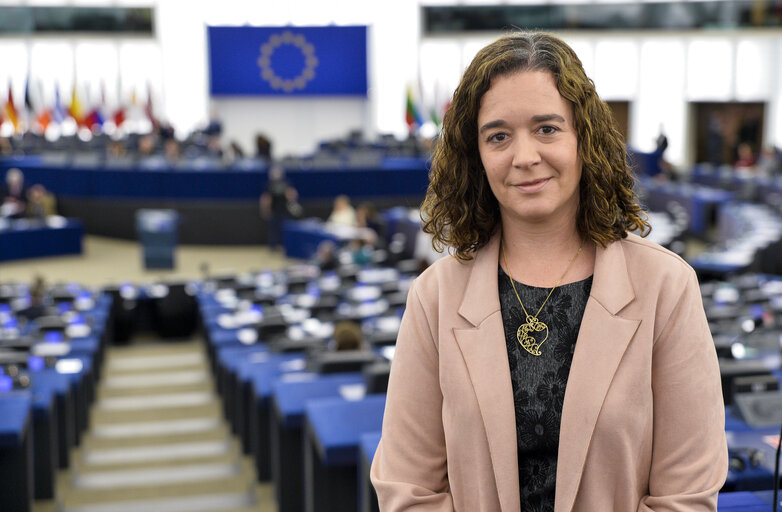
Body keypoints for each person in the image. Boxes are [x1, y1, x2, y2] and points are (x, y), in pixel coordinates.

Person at [371, 32, 727, 511]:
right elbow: (407, 489)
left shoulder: (667, 288)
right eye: (498, 136)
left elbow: (685, 495)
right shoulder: (434, 297)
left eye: (547, 128)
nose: (524, 157)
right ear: (476, 156)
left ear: (584, 137)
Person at [260, 164, 298, 251]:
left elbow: (292, 195)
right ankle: (275, 245)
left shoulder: (285, 184)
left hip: (283, 210)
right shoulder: (270, 185)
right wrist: (265, 209)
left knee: (282, 228)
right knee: (275, 229)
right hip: (276, 210)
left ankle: (280, 245)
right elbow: (266, 199)